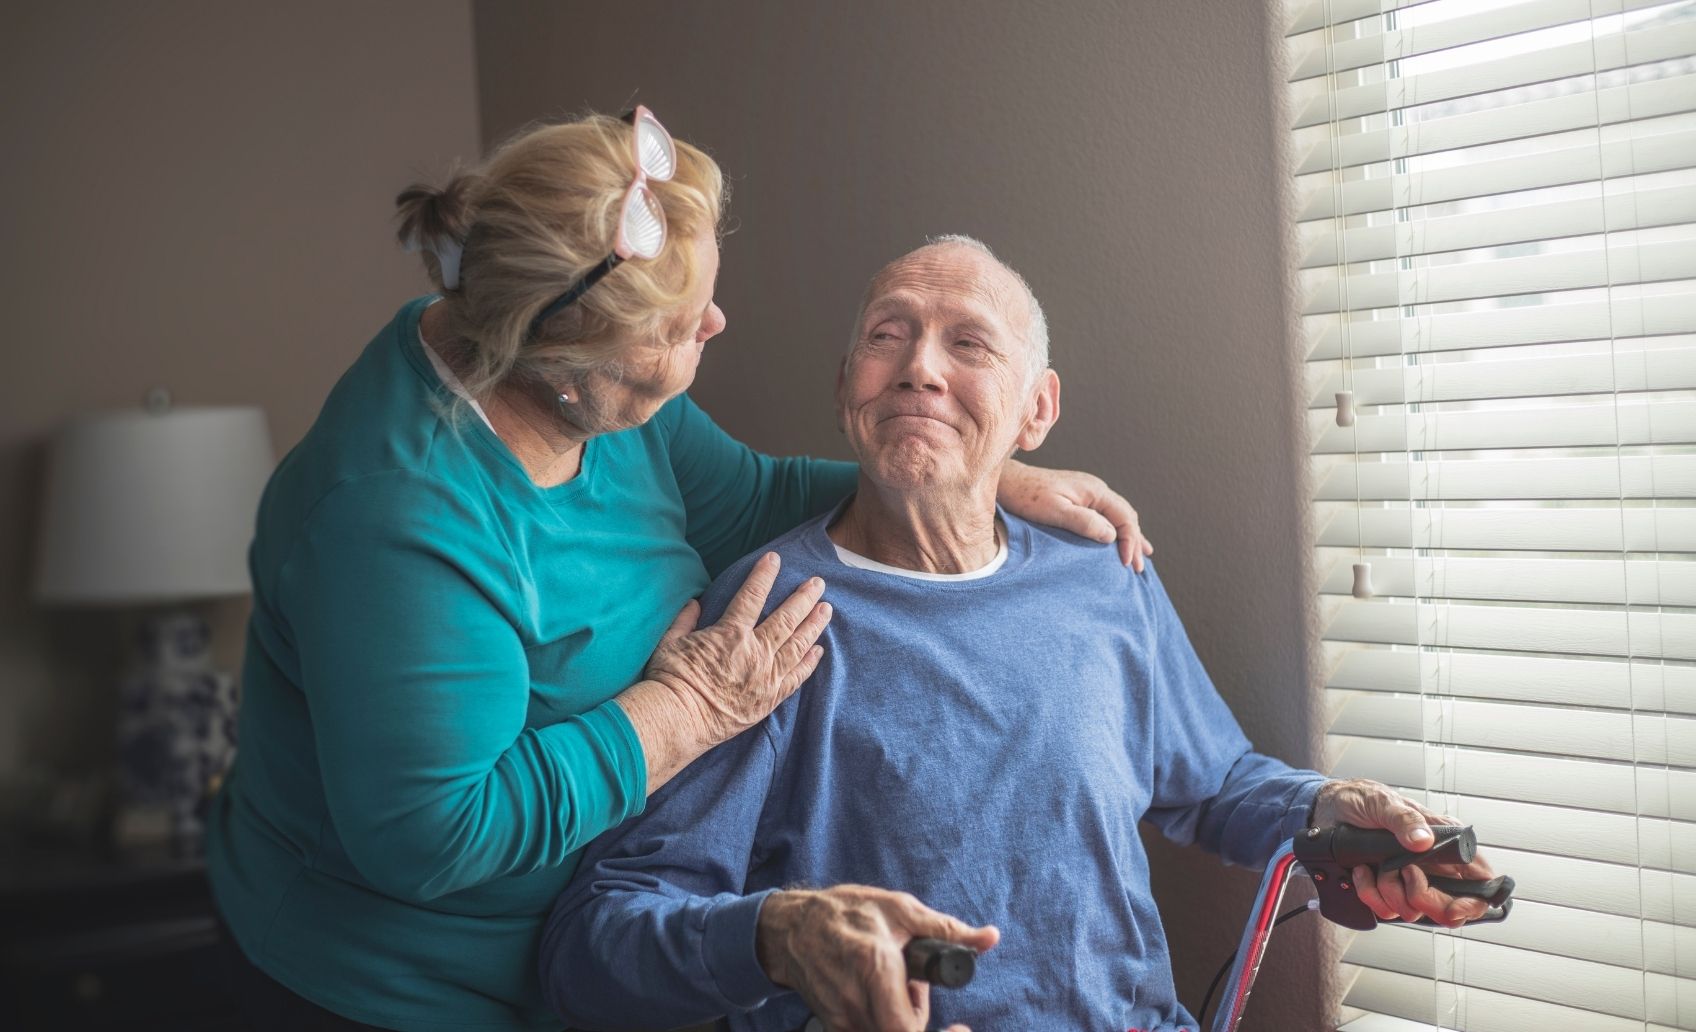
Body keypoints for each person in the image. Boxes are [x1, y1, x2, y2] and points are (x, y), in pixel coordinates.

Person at [204, 110, 1153, 1032]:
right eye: (677, 325)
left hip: (575, 962)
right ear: (565, 359)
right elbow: (438, 831)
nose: (714, 321)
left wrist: (975, 472)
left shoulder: (570, 378)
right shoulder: (395, 517)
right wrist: (683, 713)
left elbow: (754, 496)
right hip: (391, 990)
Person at [542, 236, 1500, 1032]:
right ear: (846, 387)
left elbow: (1212, 782)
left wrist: (1333, 812)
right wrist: (779, 935)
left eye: (968, 343)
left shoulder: (1104, 575)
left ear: (1037, 410)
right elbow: (596, 944)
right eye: (888, 336)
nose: (920, 367)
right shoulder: (766, 622)